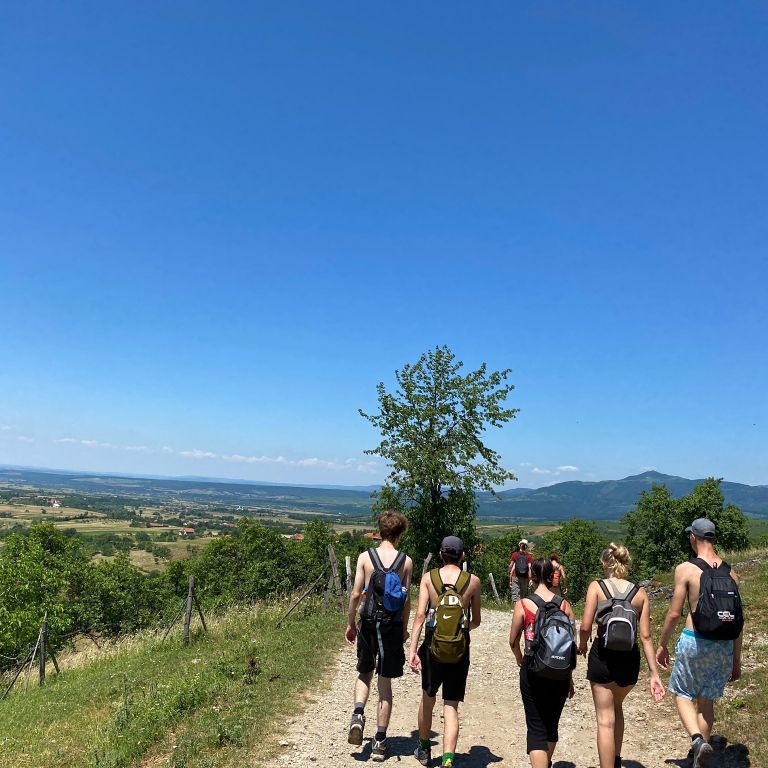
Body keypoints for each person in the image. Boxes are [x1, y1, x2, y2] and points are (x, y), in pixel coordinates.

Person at [656, 519, 743, 768]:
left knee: (682, 694)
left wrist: (662, 644)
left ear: (693, 537)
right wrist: (736, 661)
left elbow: (674, 613)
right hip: (723, 646)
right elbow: (739, 622)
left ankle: (696, 740)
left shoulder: (686, 569)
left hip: (695, 641)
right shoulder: (731, 573)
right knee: (706, 701)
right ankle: (698, 755)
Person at [579, 543, 665, 768]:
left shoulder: (597, 587)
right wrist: (654, 674)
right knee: (617, 707)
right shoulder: (640, 593)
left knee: (605, 721)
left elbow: (585, 626)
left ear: (605, 564)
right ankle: (616, 760)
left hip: (602, 656)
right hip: (629, 658)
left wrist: (582, 644)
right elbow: (645, 636)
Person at [345, 511, 414, 761]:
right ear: (399, 533)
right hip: (391, 626)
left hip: (368, 623)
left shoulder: (365, 557)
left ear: (380, 530)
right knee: (385, 683)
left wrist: (351, 623)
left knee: (364, 672)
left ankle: (358, 714)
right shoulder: (406, 561)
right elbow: (406, 599)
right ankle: (380, 741)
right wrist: (404, 628)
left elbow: (356, 594)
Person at [409, 536, 482, 768]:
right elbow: (476, 620)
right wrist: (458, 630)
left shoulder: (428, 579)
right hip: (459, 649)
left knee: (428, 698)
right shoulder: (473, 581)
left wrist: (413, 650)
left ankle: (423, 748)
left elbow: (420, 616)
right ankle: (448, 758)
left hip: (432, 648)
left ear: (441, 554)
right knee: (451, 706)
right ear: (462, 556)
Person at [509, 557, 575, 768]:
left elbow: (513, 641)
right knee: (551, 725)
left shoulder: (523, 604)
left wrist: (520, 659)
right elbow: (570, 645)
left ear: (533, 575)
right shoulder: (564, 604)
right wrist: (569, 676)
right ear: (551, 576)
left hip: (532, 669)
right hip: (560, 672)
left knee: (536, 728)